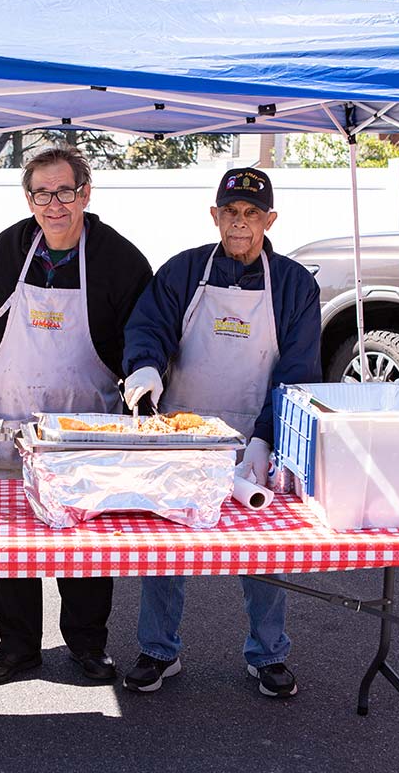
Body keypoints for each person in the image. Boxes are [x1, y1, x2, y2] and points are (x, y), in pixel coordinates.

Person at [120, 167, 321, 697]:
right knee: (166, 545)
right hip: (182, 433)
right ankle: (158, 649)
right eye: (230, 213)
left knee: (263, 549)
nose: (240, 224)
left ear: (269, 220)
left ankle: (268, 653)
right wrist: (143, 367)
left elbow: (299, 371)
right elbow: (150, 328)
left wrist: (265, 437)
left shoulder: (296, 284)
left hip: (259, 437)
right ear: (214, 216)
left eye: (252, 215)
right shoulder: (184, 271)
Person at [0, 146, 153, 685]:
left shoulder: (120, 260)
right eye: (42, 194)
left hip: (87, 427)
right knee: (10, 541)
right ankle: (17, 646)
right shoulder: (4, 253)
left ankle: (89, 646)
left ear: (86, 194)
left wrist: (143, 387)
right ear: (29, 199)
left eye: (65, 192)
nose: (54, 204)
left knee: (86, 543)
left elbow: (143, 337)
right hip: (10, 421)